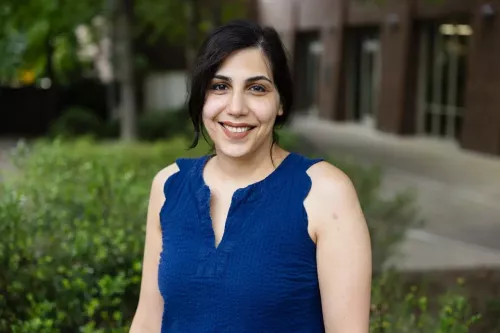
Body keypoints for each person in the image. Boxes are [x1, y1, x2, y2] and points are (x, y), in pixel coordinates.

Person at [129, 20, 372, 333]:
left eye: (257, 88)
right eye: (220, 86)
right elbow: (148, 319)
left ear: (281, 102)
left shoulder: (325, 192)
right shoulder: (169, 185)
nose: (236, 107)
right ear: (202, 97)